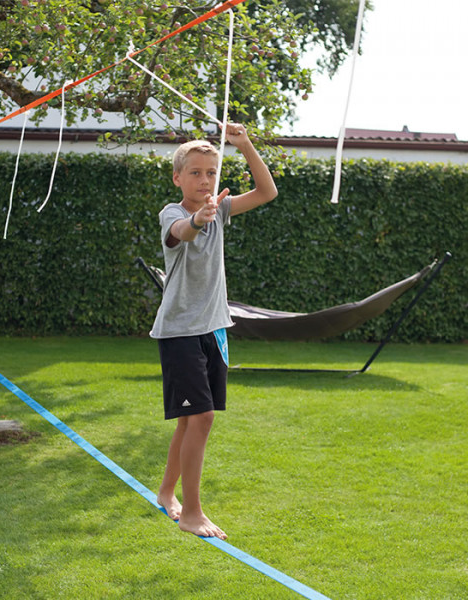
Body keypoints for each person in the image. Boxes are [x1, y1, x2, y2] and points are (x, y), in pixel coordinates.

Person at [150, 123, 278, 539]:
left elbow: (266, 193)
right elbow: (180, 233)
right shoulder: (172, 212)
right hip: (180, 331)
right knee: (200, 416)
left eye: (210, 172)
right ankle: (192, 513)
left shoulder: (220, 207)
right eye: (195, 173)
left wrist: (244, 145)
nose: (204, 180)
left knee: (191, 421)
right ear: (177, 177)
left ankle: (167, 493)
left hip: (214, 329)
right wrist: (197, 220)